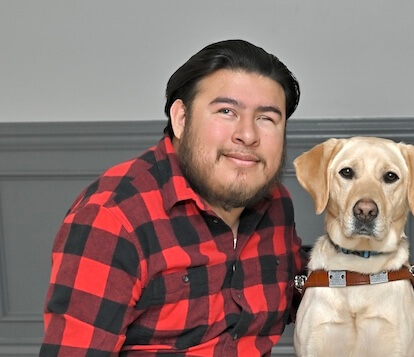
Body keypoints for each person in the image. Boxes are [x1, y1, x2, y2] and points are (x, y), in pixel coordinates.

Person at [41, 39, 305, 356]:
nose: (248, 135)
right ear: (181, 118)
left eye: (267, 118)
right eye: (226, 111)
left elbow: (302, 290)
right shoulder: (114, 218)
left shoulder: (275, 203)